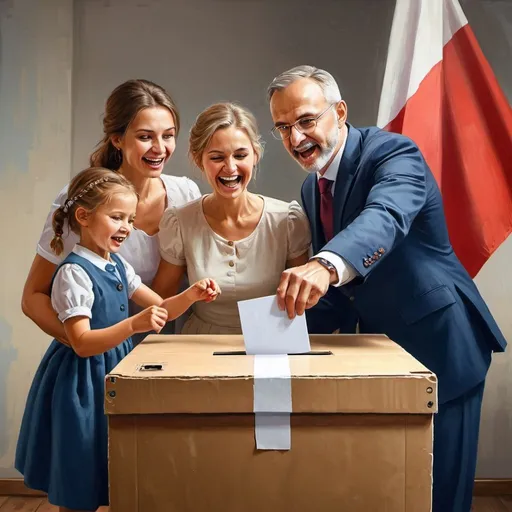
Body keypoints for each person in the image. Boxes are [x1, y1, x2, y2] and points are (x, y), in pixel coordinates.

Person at [267, 65, 507, 512]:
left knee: (439, 496)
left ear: (339, 112)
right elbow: (340, 295)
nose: (294, 138)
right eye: (282, 127)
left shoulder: (394, 153)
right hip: (383, 356)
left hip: (442, 346)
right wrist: (273, 327)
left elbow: (385, 217)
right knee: (393, 489)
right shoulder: (310, 185)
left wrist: (323, 264)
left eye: (305, 120)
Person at [15, 167, 219, 512]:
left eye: (130, 218)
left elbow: (161, 308)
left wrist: (192, 296)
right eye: (116, 217)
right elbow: (80, 342)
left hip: (114, 373)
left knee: (113, 463)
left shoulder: (118, 265)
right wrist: (133, 326)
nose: (127, 227)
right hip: (82, 382)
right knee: (80, 470)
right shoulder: (73, 274)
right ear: (83, 216)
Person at [21, 79, 201, 345]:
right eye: (145, 136)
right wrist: (90, 345)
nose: (159, 148)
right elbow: (32, 297)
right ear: (117, 139)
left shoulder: (186, 194)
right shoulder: (83, 199)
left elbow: (165, 305)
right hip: (98, 357)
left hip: (164, 350)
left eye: (168, 135)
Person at [153, 102, 311, 334]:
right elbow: (159, 304)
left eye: (240, 155)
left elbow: (302, 303)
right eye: (217, 157)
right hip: (199, 345)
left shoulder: (287, 220)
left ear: (255, 155)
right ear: (199, 160)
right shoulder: (180, 222)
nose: (230, 167)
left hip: (270, 342)